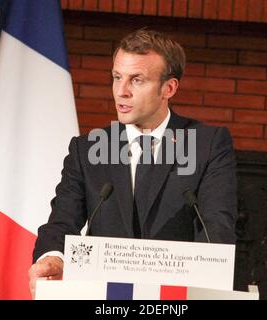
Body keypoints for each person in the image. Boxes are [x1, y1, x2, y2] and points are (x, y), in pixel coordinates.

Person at [28, 29, 238, 298]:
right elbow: (62, 221)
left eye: (136, 80)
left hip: (175, 298)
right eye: (117, 77)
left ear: (169, 88)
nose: (121, 92)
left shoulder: (207, 145)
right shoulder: (87, 148)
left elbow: (216, 228)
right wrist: (54, 258)